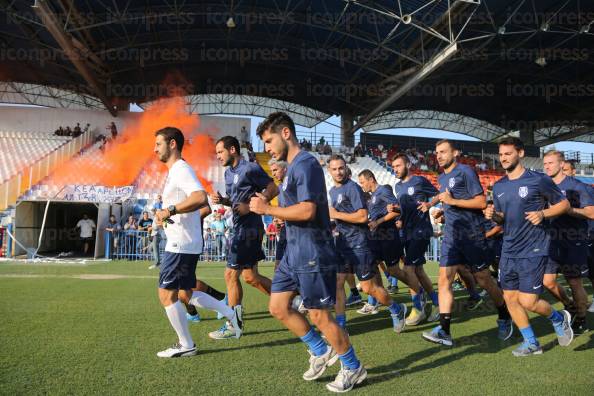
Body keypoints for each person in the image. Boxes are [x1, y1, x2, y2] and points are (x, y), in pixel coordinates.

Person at [250, 112, 366, 393]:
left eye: (269, 140)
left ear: (286, 133)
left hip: (313, 251)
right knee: (278, 307)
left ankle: (353, 367)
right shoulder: (291, 168)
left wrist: (268, 209)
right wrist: (275, 207)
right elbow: (295, 208)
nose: (267, 148)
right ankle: (319, 350)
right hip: (294, 251)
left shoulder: (306, 164)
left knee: (319, 317)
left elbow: (309, 210)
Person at [152, 127, 242, 358]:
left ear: (172, 144)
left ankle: (186, 345)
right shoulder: (175, 171)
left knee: (166, 295)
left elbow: (200, 197)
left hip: (181, 244)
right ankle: (232, 315)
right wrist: (169, 216)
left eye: (158, 144)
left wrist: (169, 210)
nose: (155, 149)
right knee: (185, 293)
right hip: (184, 241)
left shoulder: (181, 169)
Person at [485, 137, 573, 355]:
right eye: (501, 154)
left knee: (528, 301)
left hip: (534, 249)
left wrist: (542, 213)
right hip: (508, 250)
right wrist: (494, 216)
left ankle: (558, 317)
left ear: (521, 153)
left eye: (508, 153)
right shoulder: (499, 186)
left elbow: (564, 204)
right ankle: (532, 343)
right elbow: (502, 219)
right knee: (510, 299)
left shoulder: (538, 180)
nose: (503, 158)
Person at [422, 139, 512, 347]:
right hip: (452, 236)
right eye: (437, 152)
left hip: (472, 235)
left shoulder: (466, 171)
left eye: (443, 151)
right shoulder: (443, 177)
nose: (439, 155)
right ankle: (444, 330)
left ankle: (504, 314)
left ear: (455, 153)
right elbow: (455, 204)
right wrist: (445, 214)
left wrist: (452, 202)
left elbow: (481, 202)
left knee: (484, 280)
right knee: (445, 279)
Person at [209, 135, 278, 340]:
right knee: (250, 277)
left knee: (230, 275)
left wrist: (254, 205)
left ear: (232, 150)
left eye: (220, 152)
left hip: (250, 228)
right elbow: (237, 202)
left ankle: (234, 325)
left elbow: (273, 187)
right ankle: (291, 300)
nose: (218, 156)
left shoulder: (250, 168)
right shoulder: (229, 173)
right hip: (240, 227)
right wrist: (224, 200)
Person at [327, 155, 406, 333]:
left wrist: (336, 215)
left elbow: (362, 216)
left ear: (346, 168)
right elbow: (340, 216)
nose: (338, 172)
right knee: (338, 283)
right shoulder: (332, 191)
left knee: (369, 287)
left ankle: (396, 308)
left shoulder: (353, 188)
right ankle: (341, 326)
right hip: (342, 243)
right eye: (334, 169)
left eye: (341, 168)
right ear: (329, 171)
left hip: (359, 243)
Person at [542, 150, 594, 334]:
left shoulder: (577, 186)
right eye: (545, 163)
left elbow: (591, 213)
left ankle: (581, 320)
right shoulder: (544, 186)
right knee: (547, 282)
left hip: (573, 242)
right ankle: (570, 306)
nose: (547, 166)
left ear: (561, 164)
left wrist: (567, 210)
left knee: (574, 283)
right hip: (550, 241)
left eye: (551, 163)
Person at [357, 170, 421, 316]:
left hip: (389, 238)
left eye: (362, 182)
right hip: (377, 238)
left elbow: (396, 210)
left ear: (370, 179)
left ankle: (419, 291)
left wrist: (378, 221)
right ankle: (375, 301)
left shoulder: (383, 189)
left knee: (394, 271)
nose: (361, 186)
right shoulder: (372, 196)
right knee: (372, 266)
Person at [390, 153, 441, 324]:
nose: (394, 169)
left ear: (408, 165)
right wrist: (397, 214)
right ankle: (437, 302)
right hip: (407, 232)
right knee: (418, 270)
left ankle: (417, 308)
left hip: (421, 230)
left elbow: (439, 194)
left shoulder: (419, 181)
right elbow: (405, 210)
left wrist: (429, 204)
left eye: (398, 165)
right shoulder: (397, 187)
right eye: (393, 166)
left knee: (409, 269)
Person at [269, 158, 288, 270]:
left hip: (297, 234)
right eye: (272, 171)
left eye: (275, 170)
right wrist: (277, 219)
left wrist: (284, 217)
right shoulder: (280, 188)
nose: (273, 174)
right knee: (278, 268)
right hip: (285, 232)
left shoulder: (294, 185)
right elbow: (282, 208)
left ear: (285, 169)